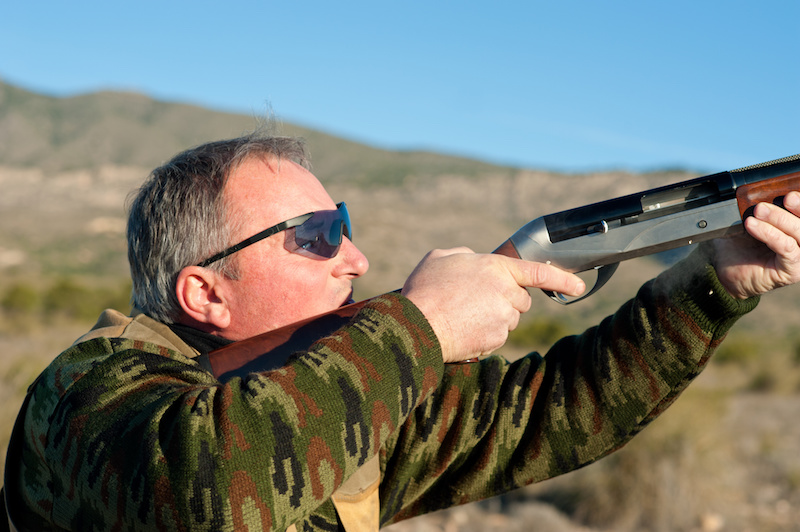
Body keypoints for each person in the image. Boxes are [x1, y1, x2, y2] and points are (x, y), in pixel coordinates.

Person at [4, 131, 800, 532]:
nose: (356, 256)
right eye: (315, 233)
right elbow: (203, 485)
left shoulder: (338, 386)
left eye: (343, 224)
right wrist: (417, 324)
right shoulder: (94, 386)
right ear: (205, 292)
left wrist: (713, 282)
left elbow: (549, 410)